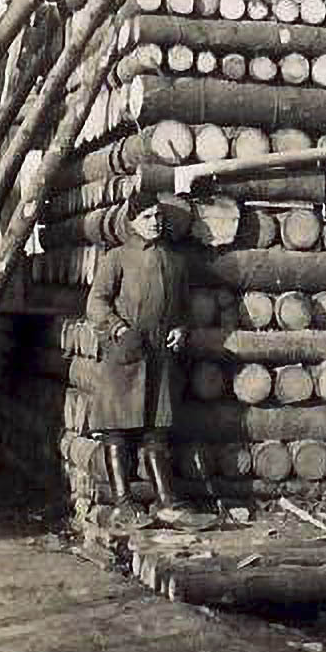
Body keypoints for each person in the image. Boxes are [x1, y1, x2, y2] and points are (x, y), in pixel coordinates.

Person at [86, 193, 208, 532]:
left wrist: (182, 329)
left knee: (157, 429)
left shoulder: (175, 260)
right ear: (132, 221)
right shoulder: (118, 258)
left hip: (160, 355)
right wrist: (118, 328)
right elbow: (96, 302)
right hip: (125, 352)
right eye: (147, 217)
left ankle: (168, 503)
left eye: (157, 216)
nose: (155, 222)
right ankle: (123, 504)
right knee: (117, 429)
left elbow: (183, 306)